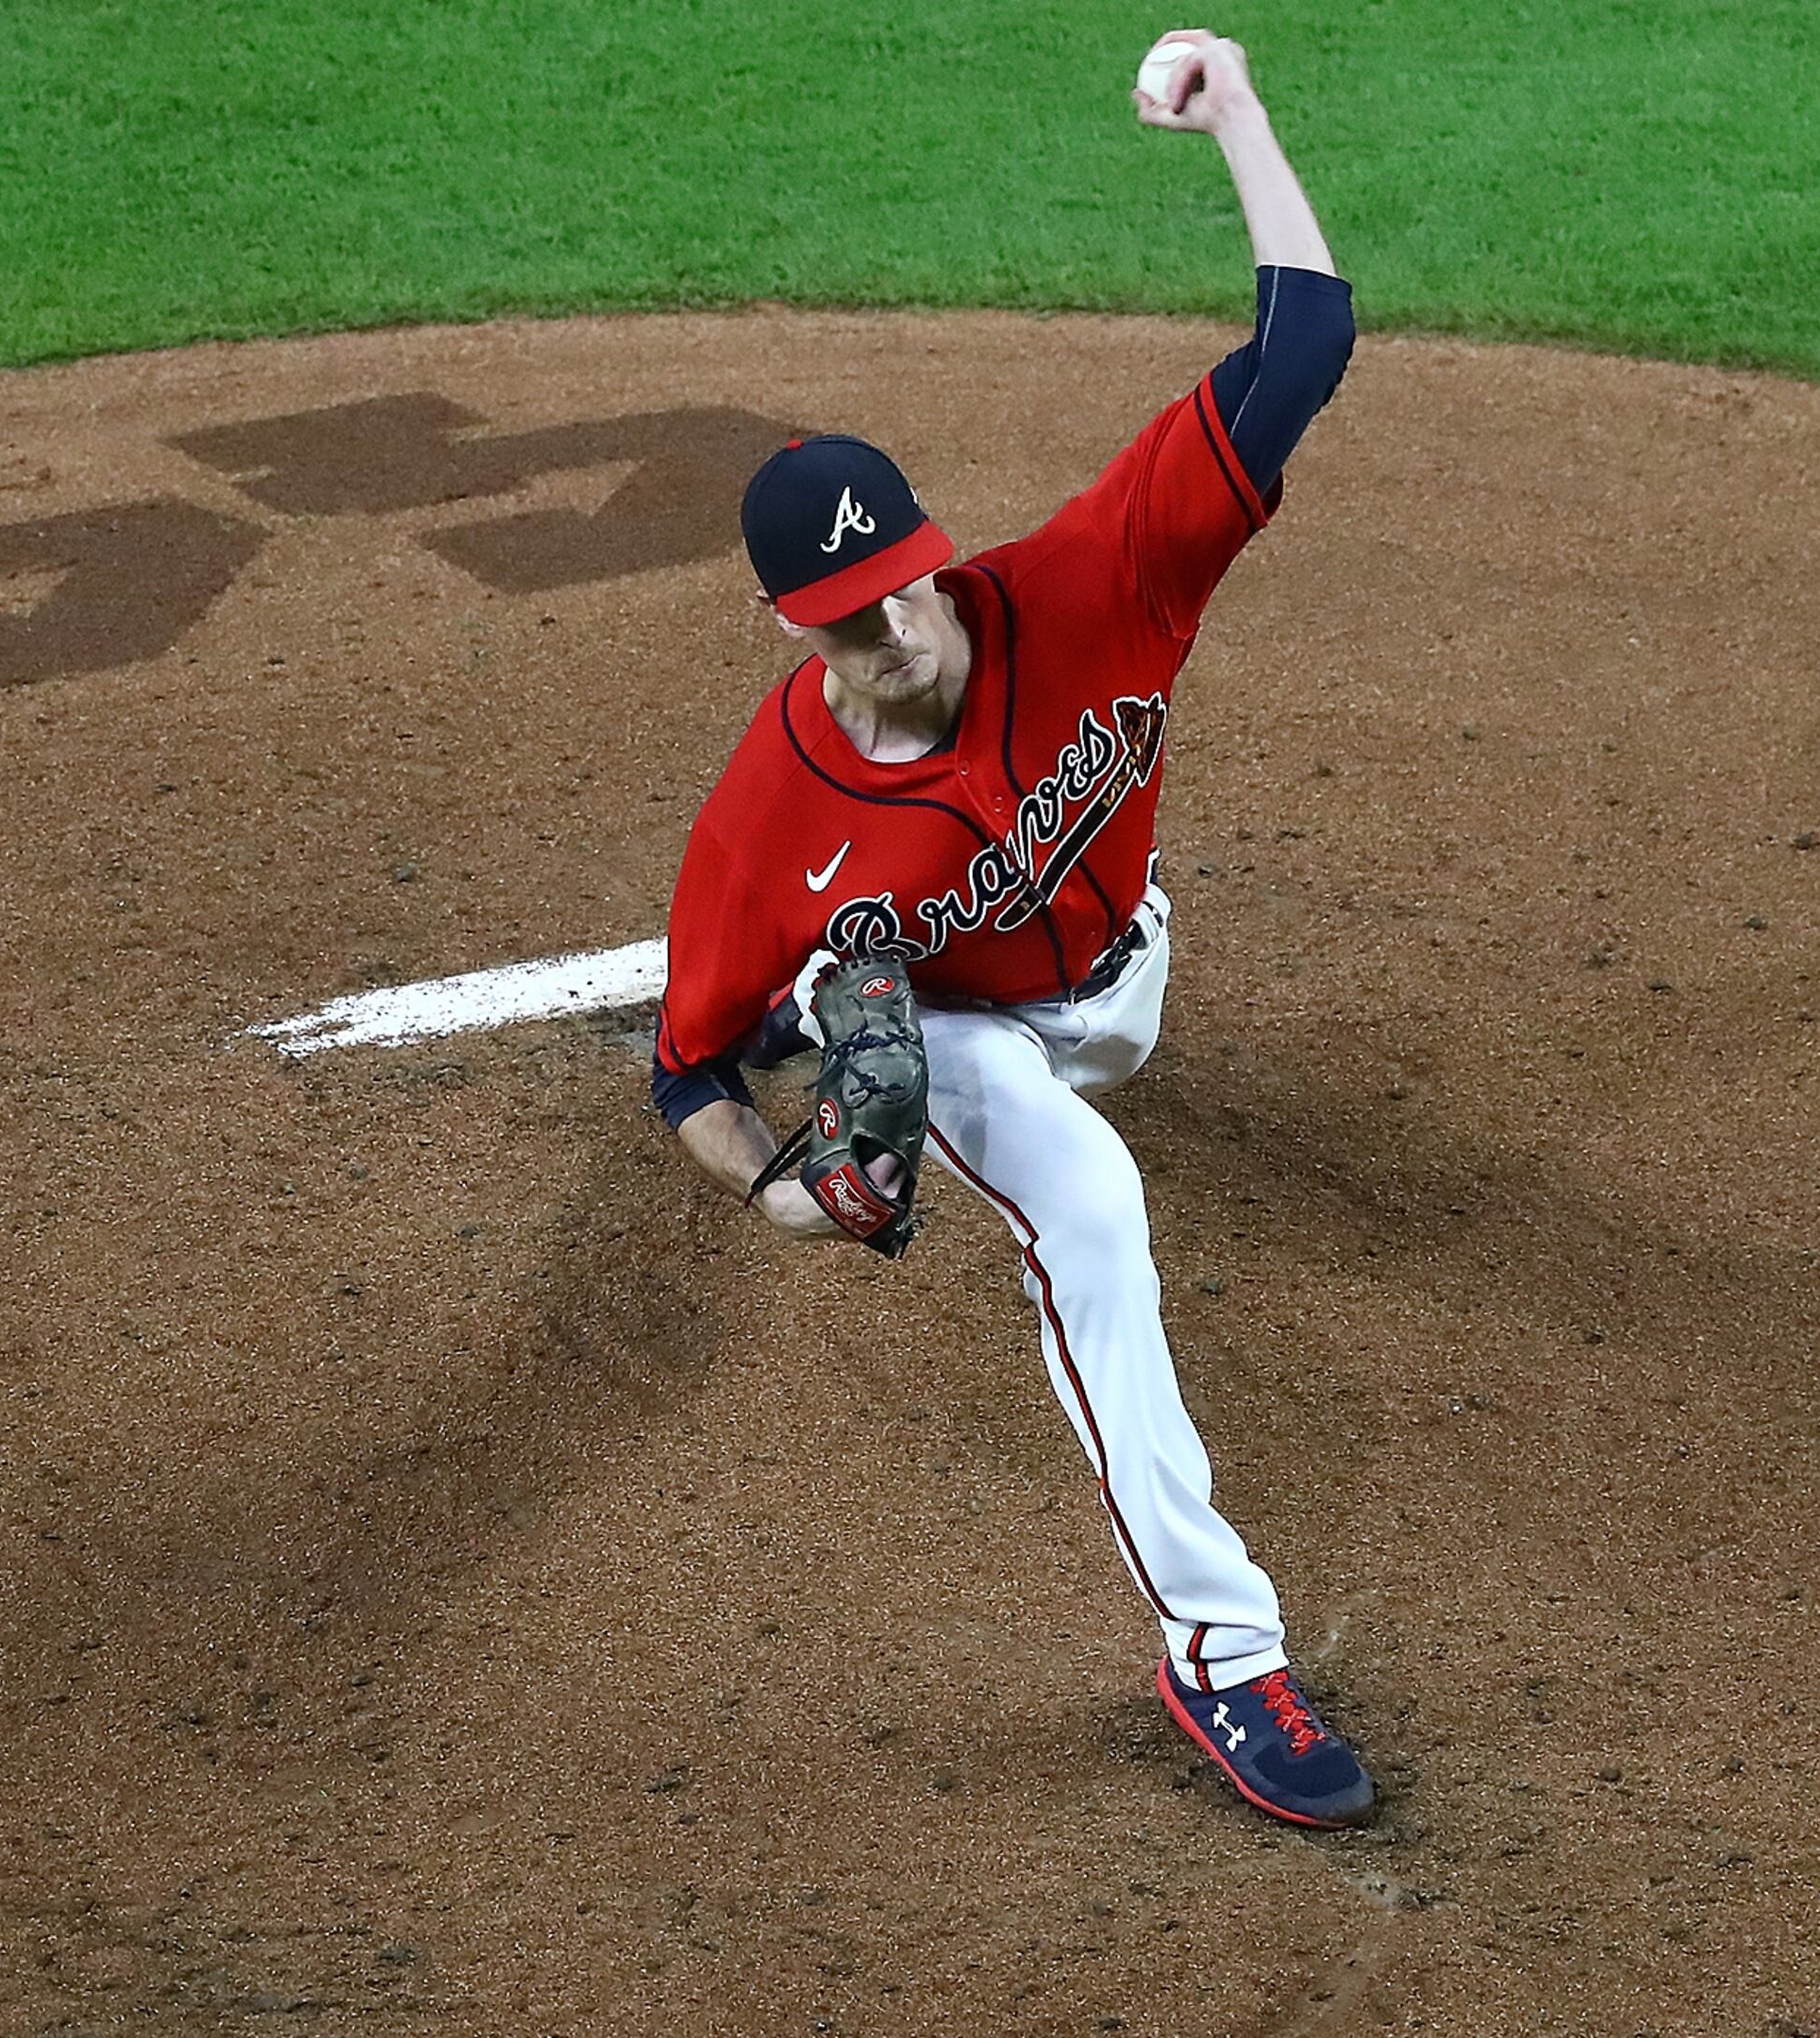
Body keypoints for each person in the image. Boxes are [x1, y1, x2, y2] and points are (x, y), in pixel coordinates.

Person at [647, 29, 1374, 1827]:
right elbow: (682, 1065)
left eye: (895, 590)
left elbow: (1306, 347)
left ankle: (953, 1043)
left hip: (1125, 973)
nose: (886, 639)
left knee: (1111, 1031)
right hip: (964, 1032)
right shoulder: (767, 821)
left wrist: (1242, 117)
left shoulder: (1097, 577)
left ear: (930, 550)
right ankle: (1226, 1658)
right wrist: (778, 1187)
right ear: (787, 627)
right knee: (1090, 1205)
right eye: (840, 622)